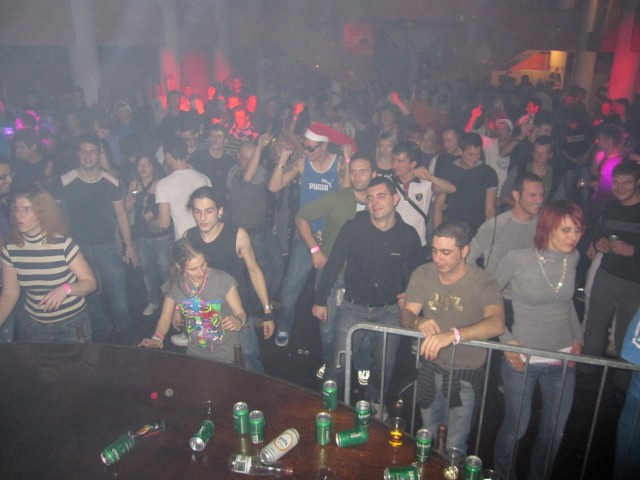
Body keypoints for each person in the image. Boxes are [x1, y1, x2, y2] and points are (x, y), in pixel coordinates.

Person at [313, 177, 423, 417]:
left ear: (395, 199)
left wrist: (411, 293)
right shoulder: (353, 228)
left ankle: (374, 403)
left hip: (389, 310)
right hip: (353, 308)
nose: (375, 202)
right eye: (370, 198)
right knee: (338, 363)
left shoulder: (408, 234)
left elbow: (419, 271)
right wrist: (320, 299)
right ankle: (326, 408)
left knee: (384, 366)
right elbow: (333, 264)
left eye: (381, 196)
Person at [493, 200, 585, 480]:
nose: (573, 237)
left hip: (563, 360)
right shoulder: (517, 258)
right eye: (566, 230)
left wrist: (578, 337)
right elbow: (487, 298)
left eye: (578, 230)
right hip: (523, 360)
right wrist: (506, 340)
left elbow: (566, 302)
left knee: (554, 432)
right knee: (516, 428)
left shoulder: (573, 257)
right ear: (547, 228)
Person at [401, 222, 505, 453]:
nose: (438, 258)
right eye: (434, 251)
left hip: (465, 374)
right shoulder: (424, 273)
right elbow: (406, 314)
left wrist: (453, 335)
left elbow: (497, 323)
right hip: (430, 368)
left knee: (455, 445)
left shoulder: (483, 280)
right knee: (426, 435)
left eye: (446, 252)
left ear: (464, 250)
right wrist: (418, 321)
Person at [295, 156, 376, 379]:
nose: (357, 176)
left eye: (363, 171)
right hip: (331, 273)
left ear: (373, 174)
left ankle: (362, 363)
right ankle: (331, 362)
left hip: (363, 277)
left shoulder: (379, 203)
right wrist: (315, 249)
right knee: (327, 324)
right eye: (354, 171)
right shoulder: (337, 197)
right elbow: (301, 217)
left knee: (361, 324)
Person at [55, 134, 138, 343]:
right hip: (77, 250)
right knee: (88, 296)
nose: (88, 156)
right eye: (84, 151)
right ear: (78, 154)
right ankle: (103, 329)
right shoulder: (65, 181)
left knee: (119, 295)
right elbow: (57, 216)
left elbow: (121, 215)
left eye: (92, 152)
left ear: (99, 154)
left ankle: (126, 334)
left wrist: (129, 245)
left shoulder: (111, 181)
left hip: (107, 246)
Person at [184, 186, 274, 372]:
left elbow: (254, 271)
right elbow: (184, 275)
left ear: (220, 211)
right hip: (205, 313)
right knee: (210, 366)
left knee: (248, 360)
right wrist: (178, 309)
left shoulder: (237, 235)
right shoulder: (189, 237)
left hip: (237, 311)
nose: (202, 218)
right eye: (197, 211)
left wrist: (267, 312)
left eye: (209, 211)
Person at [0, 187, 96, 342]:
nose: (19, 215)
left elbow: (90, 284)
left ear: (43, 213)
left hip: (71, 324)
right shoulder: (11, 250)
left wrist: (66, 289)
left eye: (27, 209)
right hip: (34, 327)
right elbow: (10, 294)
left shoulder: (63, 244)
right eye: (17, 209)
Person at [139, 237, 250, 366]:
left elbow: (241, 313)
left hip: (227, 356)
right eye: (193, 269)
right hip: (195, 355)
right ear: (179, 266)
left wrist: (238, 321)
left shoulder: (223, 280)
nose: (201, 272)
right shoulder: (175, 285)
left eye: (203, 264)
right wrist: (157, 338)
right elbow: (165, 319)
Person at [583, 161, 640, 358]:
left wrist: (633, 250)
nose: (620, 187)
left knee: (626, 334)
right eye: (616, 182)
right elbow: (600, 231)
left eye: (627, 182)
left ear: (638, 182)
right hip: (606, 274)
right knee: (594, 326)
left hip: (634, 282)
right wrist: (598, 241)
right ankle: (586, 370)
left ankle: (621, 375)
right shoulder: (611, 206)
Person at [125, 154, 172, 317]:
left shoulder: (160, 184)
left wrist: (152, 216)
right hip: (141, 235)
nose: (143, 168)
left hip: (160, 234)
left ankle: (170, 301)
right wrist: (128, 205)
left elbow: (167, 210)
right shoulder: (134, 184)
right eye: (140, 165)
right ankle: (153, 301)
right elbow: (128, 210)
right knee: (147, 270)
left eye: (146, 164)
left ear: (153, 166)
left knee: (165, 269)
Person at [150, 136, 211, 240]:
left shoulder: (164, 184)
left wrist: (150, 222)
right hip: (207, 238)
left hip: (185, 241)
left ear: (168, 156)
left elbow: (164, 223)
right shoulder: (204, 178)